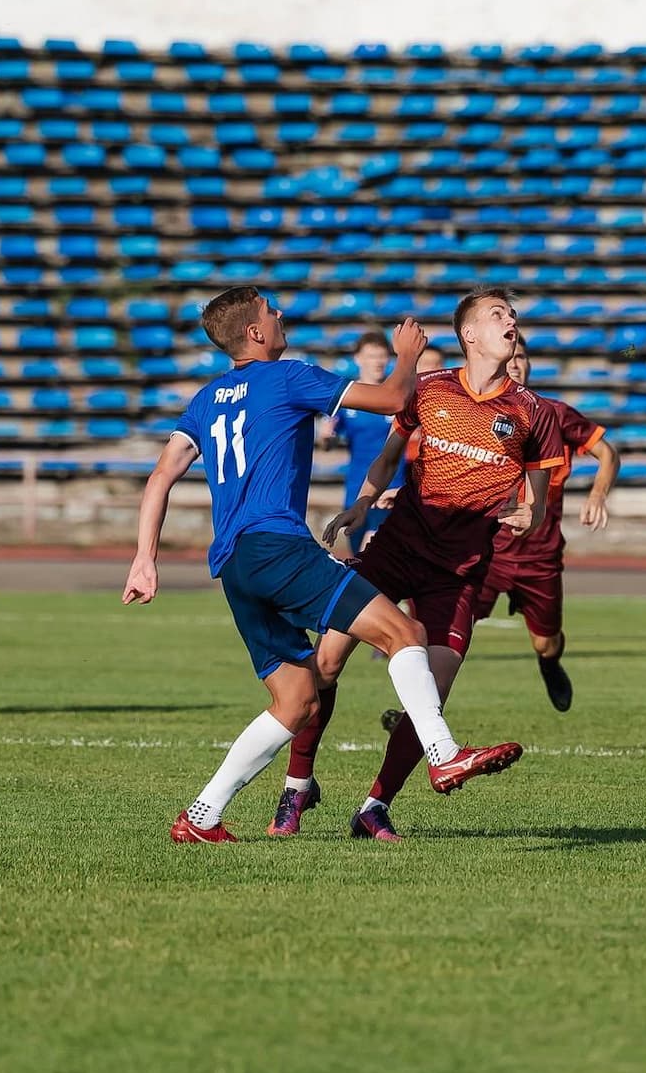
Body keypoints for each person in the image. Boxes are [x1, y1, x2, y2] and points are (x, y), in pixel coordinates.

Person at [120, 286, 524, 844]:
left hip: (234, 565)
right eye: (271, 310)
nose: (281, 313)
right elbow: (389, 400)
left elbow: (160, 476)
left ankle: (201, 816)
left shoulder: (206, 398)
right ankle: (445, 755)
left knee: (298, 698)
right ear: (256, 333)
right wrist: (406, 355)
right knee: (403, 632)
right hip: (278, 548)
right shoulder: (287, 376)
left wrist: (145, 558)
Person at [274, 287, 565, 841]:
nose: (511, 321)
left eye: (513, 315)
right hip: (395, 550)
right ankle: (298, 784)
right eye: (498, 314)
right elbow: (388, 456)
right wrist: (361, 504)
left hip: (459, 571)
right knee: (327, 663)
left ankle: (375, 806)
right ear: (469, 335)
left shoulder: (533, 412)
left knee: (434, 685)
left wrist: (533, 513)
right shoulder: (429, 390)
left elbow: (539, 490)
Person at [455, 337, 620, 712]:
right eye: (508, 357)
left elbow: (607, 452)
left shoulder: (556, 414)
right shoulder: (474, 414)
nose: (515, 364)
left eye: (522, 357)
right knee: (454, 631)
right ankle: (419, 712)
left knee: (545, 641)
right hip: (487, 552)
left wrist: (597, 494)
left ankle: (549, 662)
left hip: (540, 556)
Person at [321, 331, 396, 555]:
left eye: (382, 356)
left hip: (390, 492)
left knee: (374, 556)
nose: (378, 362)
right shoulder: (348, 397)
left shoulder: (397, 396)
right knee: (359, 560)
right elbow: (327, 444)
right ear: (358, 358)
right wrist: (327, 437)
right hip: (356, 492)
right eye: (372, 356)